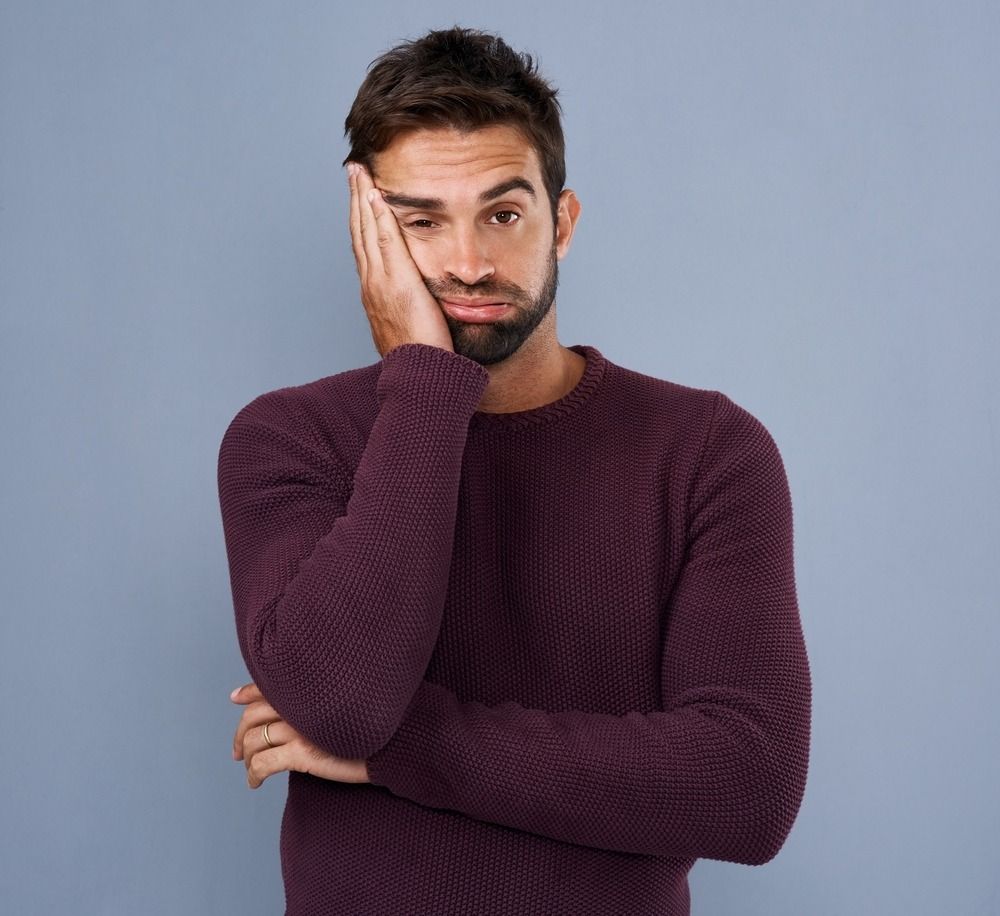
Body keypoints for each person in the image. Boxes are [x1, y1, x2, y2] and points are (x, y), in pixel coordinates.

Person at [217, 25, 811, 916]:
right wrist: (423, 391)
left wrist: (401, 747)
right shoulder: (289, 440)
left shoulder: (708, 453)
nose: (467, 263)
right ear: (367, 236)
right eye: (421, 222)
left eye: (503, 214)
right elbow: (342, 702)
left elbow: (745, 789)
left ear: (561, 222)